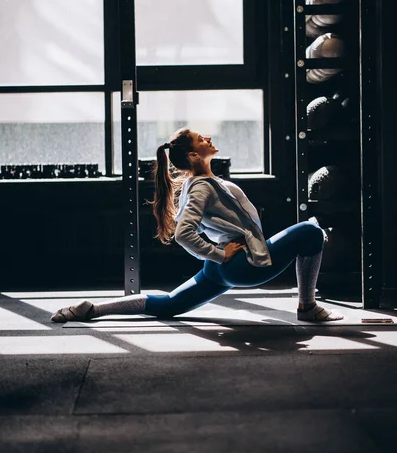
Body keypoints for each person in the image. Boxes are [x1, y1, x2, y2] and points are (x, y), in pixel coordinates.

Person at [51, 128, 343, 323]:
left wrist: (217, 257)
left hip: (219, 270)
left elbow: (196, 230)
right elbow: (184, 233)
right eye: (200, 139)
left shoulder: (198, 184)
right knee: (311, 231)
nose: (208, 137)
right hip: (241, 265)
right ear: (193, 155)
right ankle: (307, 306)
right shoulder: (201, 187)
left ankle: (93, 309)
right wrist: (220, 253)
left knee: (168, 305)